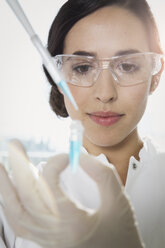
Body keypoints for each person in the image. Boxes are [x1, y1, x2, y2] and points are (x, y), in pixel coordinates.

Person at [0, 0, 164, 247]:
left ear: (155, 74)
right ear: (57, 77)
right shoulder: (18, 207)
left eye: (128, 66)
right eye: (83, 67)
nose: (105, 93)